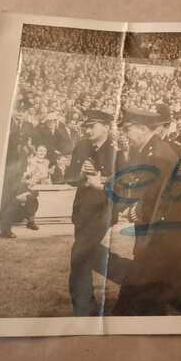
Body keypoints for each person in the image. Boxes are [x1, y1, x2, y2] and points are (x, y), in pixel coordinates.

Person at [113, 107, 181, 316]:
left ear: (143, 129)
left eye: (127, 130)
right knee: (177, 291)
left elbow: (158, 194)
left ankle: (123, 318)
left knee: (141, 276)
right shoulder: (150, 150)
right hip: (171, 224)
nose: (124, 135)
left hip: (177, 226)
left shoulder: (160, 153)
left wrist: (139, 212)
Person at [65, 109, 130, 316]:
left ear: (106, 127)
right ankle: (135, 277)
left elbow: (124, 186)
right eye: (85, 126)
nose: (87, 129)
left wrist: (101, 182)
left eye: (92, 126)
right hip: (82, 210)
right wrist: (81, 175)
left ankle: (82, 307)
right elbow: (69, 176)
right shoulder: (82, 145)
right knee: (88, 255)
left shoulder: (118, 151)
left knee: (79, 253)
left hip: (103, 211)